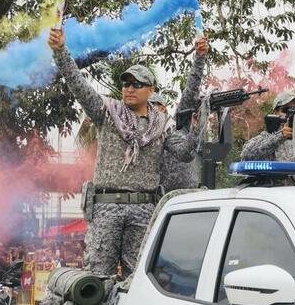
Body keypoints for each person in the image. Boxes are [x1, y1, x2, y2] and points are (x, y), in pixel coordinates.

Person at [47, 28, 200, 278]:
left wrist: (197, 128)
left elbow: (183, 153)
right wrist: (60, 51)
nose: (129, 88)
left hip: (144, 209)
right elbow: (77, 84)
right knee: (97, 279)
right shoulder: (107, 113)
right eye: (126, 83)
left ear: (150, 90)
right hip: (106, 207)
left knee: (138, 278)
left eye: (137, 84)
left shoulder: (162, 125)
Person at [148, 36, 208, 193]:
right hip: (162, 200)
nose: (156, 110)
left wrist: (199, 58)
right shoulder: (143, 136)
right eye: (151, 107)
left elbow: (191, 90)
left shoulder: (175, 126)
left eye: (159, 106)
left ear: (165, 109)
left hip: (190, 195)